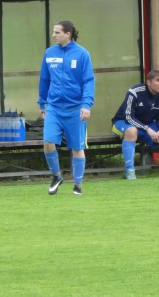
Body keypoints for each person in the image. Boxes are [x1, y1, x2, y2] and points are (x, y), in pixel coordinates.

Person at [38, 20, 95, 195]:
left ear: (67, 34)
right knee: (48, 142)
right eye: (54, 32)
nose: (53, 35)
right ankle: (56, 176)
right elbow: (44, 80)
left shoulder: (82, 54)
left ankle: (77, 185)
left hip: (75, 108)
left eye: (57, 32)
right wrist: (42, 103)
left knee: (77, 148)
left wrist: (86, 105)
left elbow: (88, 81)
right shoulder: (49, 53)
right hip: (54, 107)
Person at [112, 69, 159, 179]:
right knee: (131, 131)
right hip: (122, 123)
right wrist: (148, 130)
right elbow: (129, 117)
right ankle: (130, 171)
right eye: (158, 81)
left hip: (146, 126)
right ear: (148, 82)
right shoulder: (134, 92)